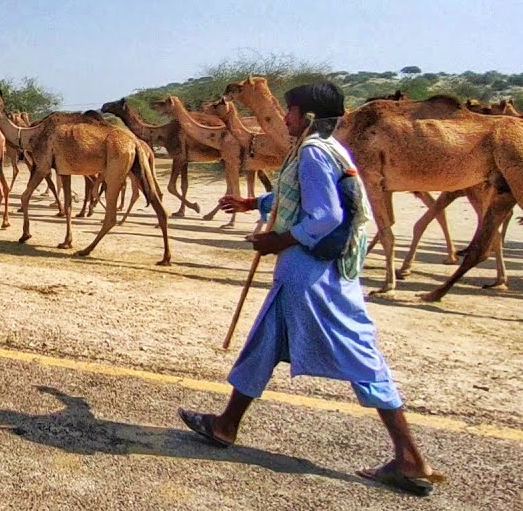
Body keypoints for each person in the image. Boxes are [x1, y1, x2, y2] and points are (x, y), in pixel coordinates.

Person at [176, 82, 444, 497]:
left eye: (292, 111)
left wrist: (277, 241)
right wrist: (255, 205)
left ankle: (410, 457)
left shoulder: (315, 152)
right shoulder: (326, 148)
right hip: (305, 272)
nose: (285, 118)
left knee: (359, 355)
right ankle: (226, 425)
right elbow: (299, 196)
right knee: (263, 343)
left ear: (309, 117)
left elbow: (325, 216)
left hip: (313, 273)